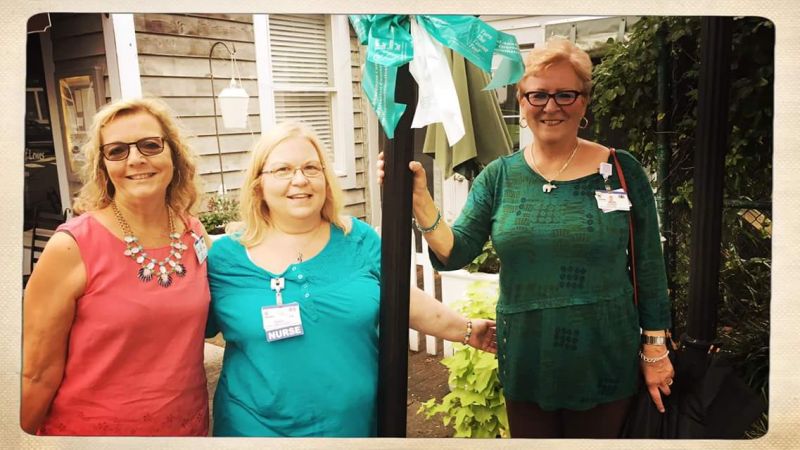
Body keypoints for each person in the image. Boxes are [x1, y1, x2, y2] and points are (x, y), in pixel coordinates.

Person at [377, 37, 675, 438]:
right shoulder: (499, 177)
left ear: (584, 101)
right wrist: (420, 200)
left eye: (565, 94)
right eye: (538, 95)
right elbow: (455, 251)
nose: (551, 107)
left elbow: (649, 266)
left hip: (604, 357)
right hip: (527, 358)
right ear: (521, 101)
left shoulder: (622, 170)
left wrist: (655, 348)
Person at [205, 121, 496, 437]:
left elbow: (401, 298)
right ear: (258, 184)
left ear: (326, 179)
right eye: (282, 170)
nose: (299, 180)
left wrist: (466, 330)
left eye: (311, 168)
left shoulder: (357, 239)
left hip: (350, 430)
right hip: (253, 432)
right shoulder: (225, 258)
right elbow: (187, 327)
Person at [21, 98, 211, 436]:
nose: (136, 159)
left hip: (186, 428)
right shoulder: (72, 247)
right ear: (103, 166)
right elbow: (36, 374)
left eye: (150, 145)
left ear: (174, 153)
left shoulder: (193, 231)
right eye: (117, 151)